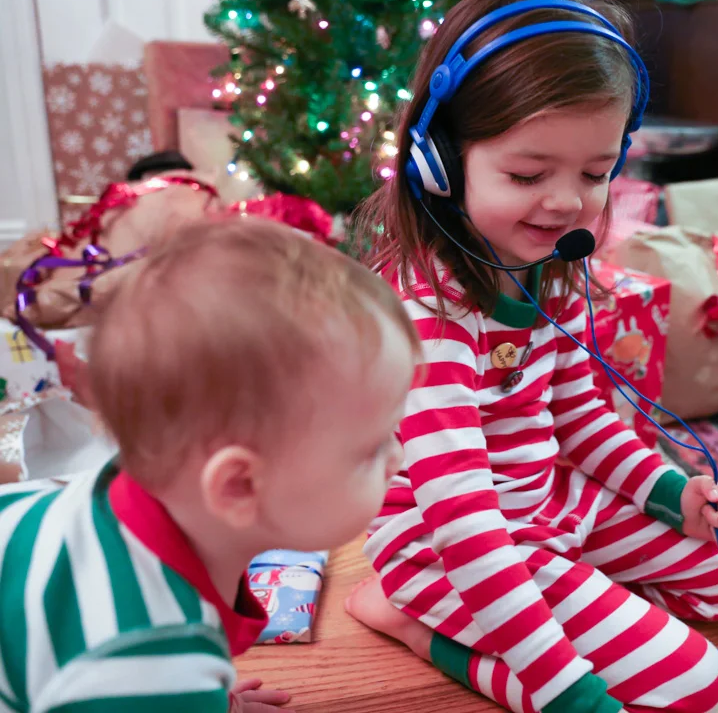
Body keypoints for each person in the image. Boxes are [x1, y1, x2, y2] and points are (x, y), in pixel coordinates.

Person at [348, 0, 718, 713]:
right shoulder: (429, 312)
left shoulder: (547, 269)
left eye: (596, 173)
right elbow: (467, 523)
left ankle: (574, 598)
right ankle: (418, 627)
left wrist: (676, 496)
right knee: (695, 681)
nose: (566, 202)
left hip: (545, 507)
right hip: (447, 547)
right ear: (441, 164)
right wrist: (563, 689)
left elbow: (582, 420)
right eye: (527, 173)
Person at [0, 217, 419, 713]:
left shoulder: (133, 497)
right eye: (371, 448)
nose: (400, 457)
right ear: (240, 485)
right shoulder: (142, 658)